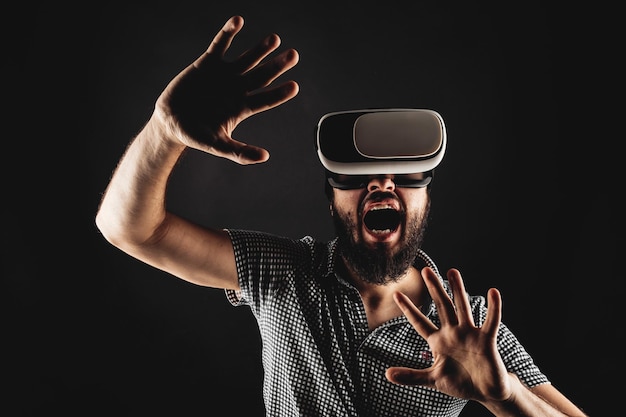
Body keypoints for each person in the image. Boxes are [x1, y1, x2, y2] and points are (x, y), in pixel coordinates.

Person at [95, 15, 587, 417]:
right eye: (356, 176)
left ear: (427, 198)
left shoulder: (471, 323)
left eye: (405, 176)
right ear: (331, 198)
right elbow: (132, 229)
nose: (381, 184)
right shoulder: (281, 272)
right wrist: (163, 133)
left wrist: (504, 397)